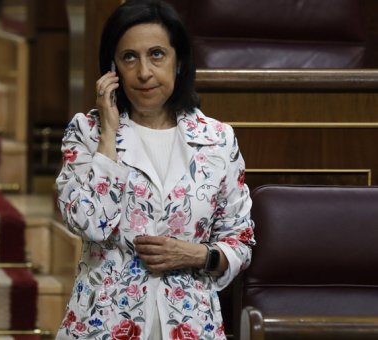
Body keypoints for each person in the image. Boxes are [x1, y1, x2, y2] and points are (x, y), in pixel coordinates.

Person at [55, 1, 255, 339]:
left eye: (157, 54)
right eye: (129, 57)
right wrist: (108, 132)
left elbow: (241, 240)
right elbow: (90, 224)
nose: (144, 71)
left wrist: (197, 254)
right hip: (102, 325)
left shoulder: (217, 140)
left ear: (178, 62)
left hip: (192, 324)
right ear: (112, 69)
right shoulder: (86, 133)